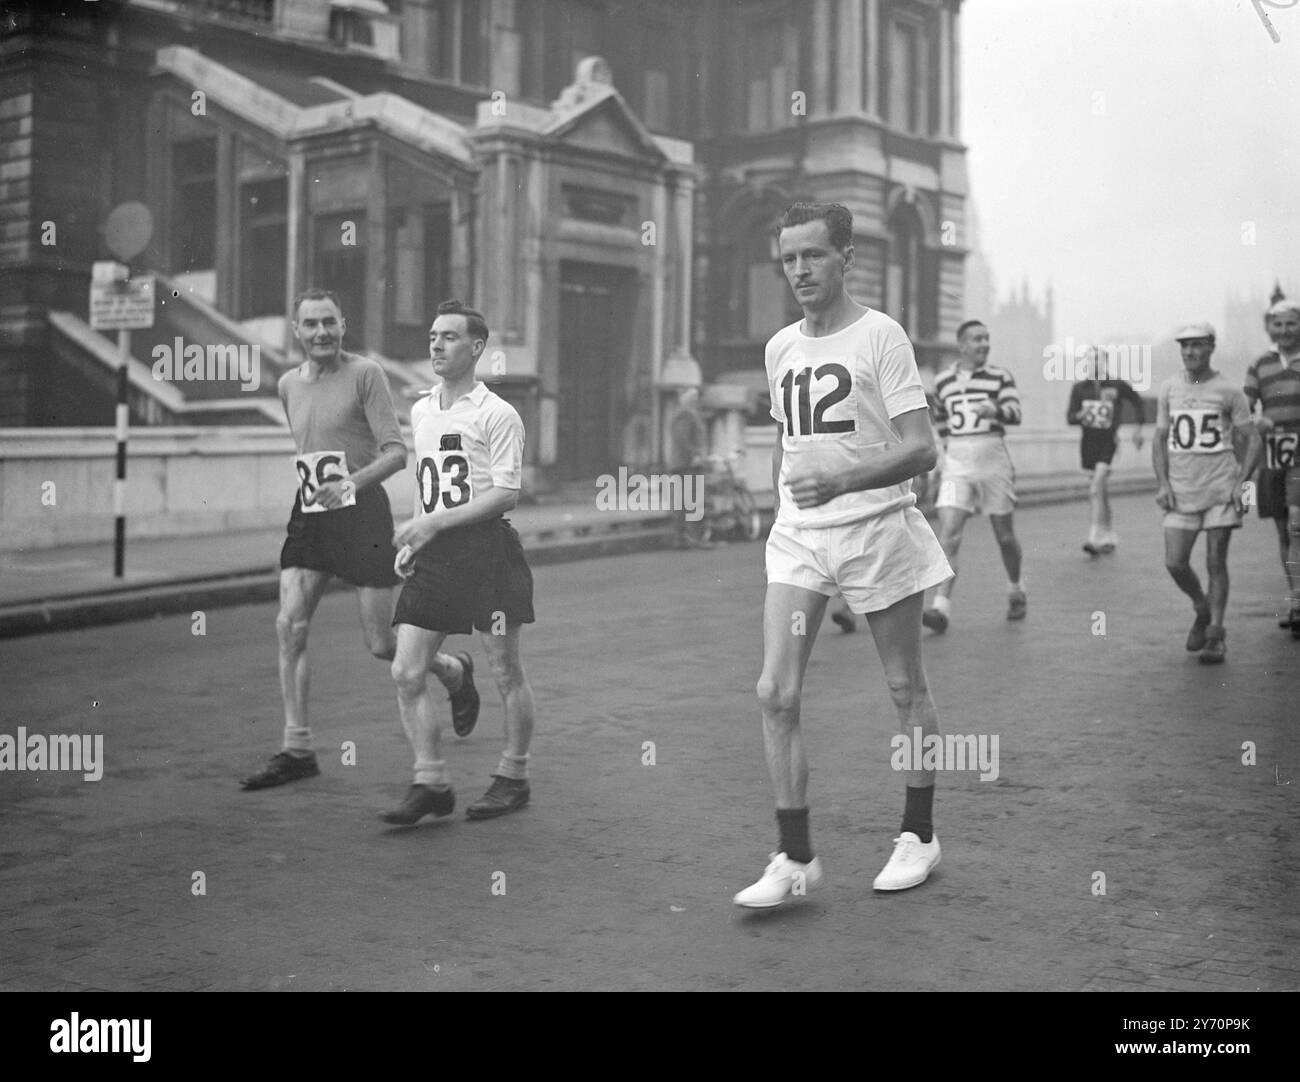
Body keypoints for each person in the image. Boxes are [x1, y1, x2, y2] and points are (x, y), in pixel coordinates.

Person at [733, 203, 952, 908]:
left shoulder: (880, 336)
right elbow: (784, 441)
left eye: (814, 255)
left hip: (876, 528)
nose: (799, 270)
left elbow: (922, 447)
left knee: (902, 686)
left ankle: (919, 834)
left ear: (845, 256)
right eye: (789, 257)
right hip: (801, 537)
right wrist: (780, 511)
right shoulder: (780, 347)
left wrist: (841, 481)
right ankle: (795, 856)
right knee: (775, 690)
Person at [241, 289, 479, 791]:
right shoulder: (288, 385)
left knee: (381, 644)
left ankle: (453, 670)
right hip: (312, 514)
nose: (321, 333)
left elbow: (396, 454)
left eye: (329, 322)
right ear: (297, 331)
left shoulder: (366, 374)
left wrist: (348, 483)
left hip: (361, 514)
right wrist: (322, 488)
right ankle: (297, 747)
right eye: (311, 325)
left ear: (343, 325)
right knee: (289, 625)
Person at [383, 299, 538, 824]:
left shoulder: (497, 414)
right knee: (407, 670)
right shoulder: (423, 409)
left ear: (476, 347)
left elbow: (505, 495)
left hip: (487, 551)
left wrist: (434, 525)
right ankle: (431, 782)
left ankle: (513, 776)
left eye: (449, 337)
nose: (436, 345)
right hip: (437, 555)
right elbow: (430, 487)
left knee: (505, 670)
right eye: (432, 336)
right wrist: (416, 536)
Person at [1153, 322, 1261, 664]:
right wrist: (1163, 483)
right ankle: (1200, 605)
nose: (1190, 353)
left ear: (1211, 347)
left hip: (1221, 488)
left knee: (1216, 561)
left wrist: (1243, 486)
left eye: (1197, 346)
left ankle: (1215, 634)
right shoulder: (1169, 388)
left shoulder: (1229, 391)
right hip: (1182, 490)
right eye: (1184, 347)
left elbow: (1252, 439)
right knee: (1175, 562)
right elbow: (1159, 439)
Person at [922, 321, 1026, 632]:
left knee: (1004, 536)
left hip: (993, 460)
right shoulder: (943, 381)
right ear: (962, 345)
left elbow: (1016, 413)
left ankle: (1016, 588)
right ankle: (941, 606)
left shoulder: (1000, 376)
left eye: (987, 339)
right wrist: (944, 456)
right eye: (977, 339)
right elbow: (940, 419)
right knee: (949, 534)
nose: (984, 344)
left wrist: (995, 410)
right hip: (957, 465)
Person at [1245, 299, 1300, 636]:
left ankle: (1298, 602)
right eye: (1278, 325)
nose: (1284, 331)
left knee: (1296, 525)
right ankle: (1295, 596)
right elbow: (1242, 408)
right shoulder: (1259, 364)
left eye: (1291, 324)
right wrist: (1257, 419)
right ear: (1269, 327)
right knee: (1284, 530)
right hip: (1274, 455)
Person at [1066, 344, 1147, 556]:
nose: (1093, 364)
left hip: (1108, 442)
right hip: (1088, 444)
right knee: (1100, 491)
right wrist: (1079, 417)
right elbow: (1070, 417)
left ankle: (1093, 538)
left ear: (1104, 362)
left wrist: (1138, 429)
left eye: (1097, 360)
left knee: (1095, 488)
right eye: (1089, 360)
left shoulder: (1116, 385)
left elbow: (1138, 402)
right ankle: (1109, 533)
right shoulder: (1079, 388)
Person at [667, 386, 711, 549]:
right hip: (687, 464)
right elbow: (682, 438)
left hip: (684, 463)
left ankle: (683, 539)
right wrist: (695, 455)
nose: (696, 400)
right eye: (693, 398)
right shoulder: (685, 414)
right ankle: (693, 538)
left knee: (684, 503)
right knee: (692, 502)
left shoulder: (687, 413)